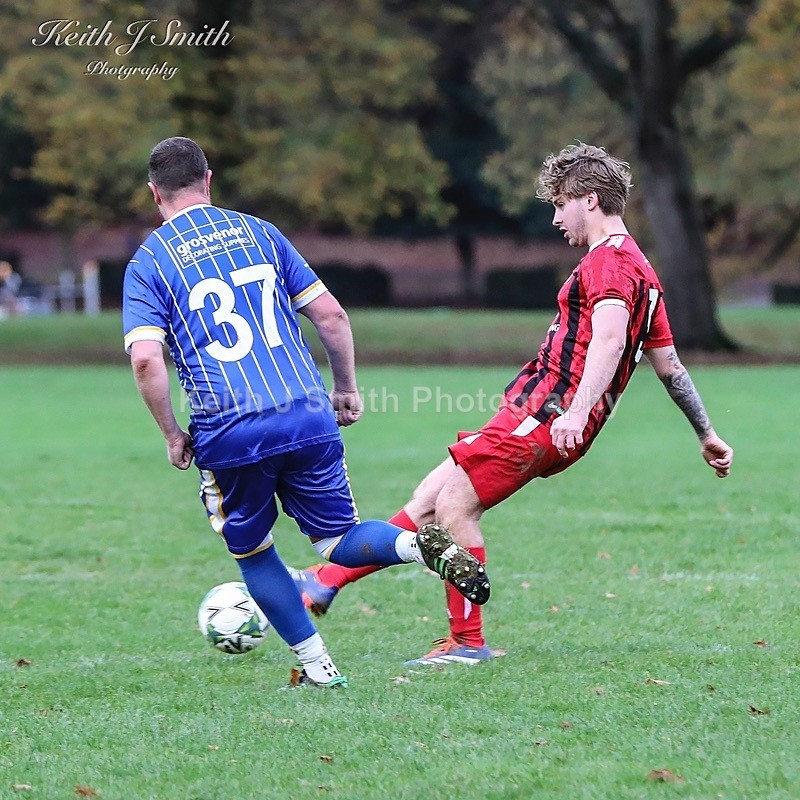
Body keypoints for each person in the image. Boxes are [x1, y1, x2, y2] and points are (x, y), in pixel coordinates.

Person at [292, 143, 734, 666]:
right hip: (538, 411)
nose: (555, 217)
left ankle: (467, 643)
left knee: (454, 507)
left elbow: (611, 341)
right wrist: (705, 432)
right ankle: (326, 581)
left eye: (560, 203)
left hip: (548, 415)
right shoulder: (642, 271)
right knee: (430, 496)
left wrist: (574, 411)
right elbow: (671, 368)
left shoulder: (610, 264)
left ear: (589, 200)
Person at [122, 137, 487, 688]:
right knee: (338, 540)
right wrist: (345, 389)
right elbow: (332, 317)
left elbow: (148, 359)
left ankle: (320, 670)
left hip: (229, 426)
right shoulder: (259, 232)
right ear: (209, 179)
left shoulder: (149, 260)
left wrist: (173, 434)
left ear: (154, 194)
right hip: (305, 410)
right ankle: (416, 544)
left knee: (252, 551)